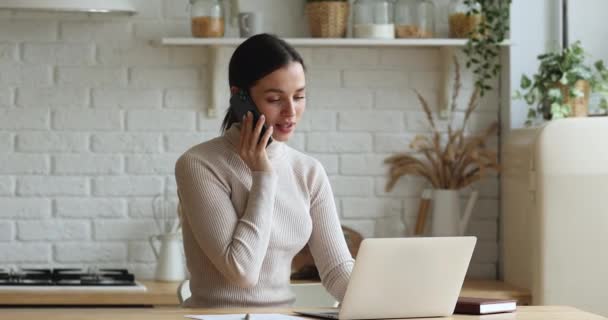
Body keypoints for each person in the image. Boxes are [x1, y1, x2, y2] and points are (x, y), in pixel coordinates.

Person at [174, 33, 354, 308]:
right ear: (240, 98)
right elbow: (242, 272)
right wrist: (264, 176)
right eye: (275, 99)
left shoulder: (308, 171)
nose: (291, 112)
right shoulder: (199, 164)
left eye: (299, 96)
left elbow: (337, 271)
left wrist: (392, 301)